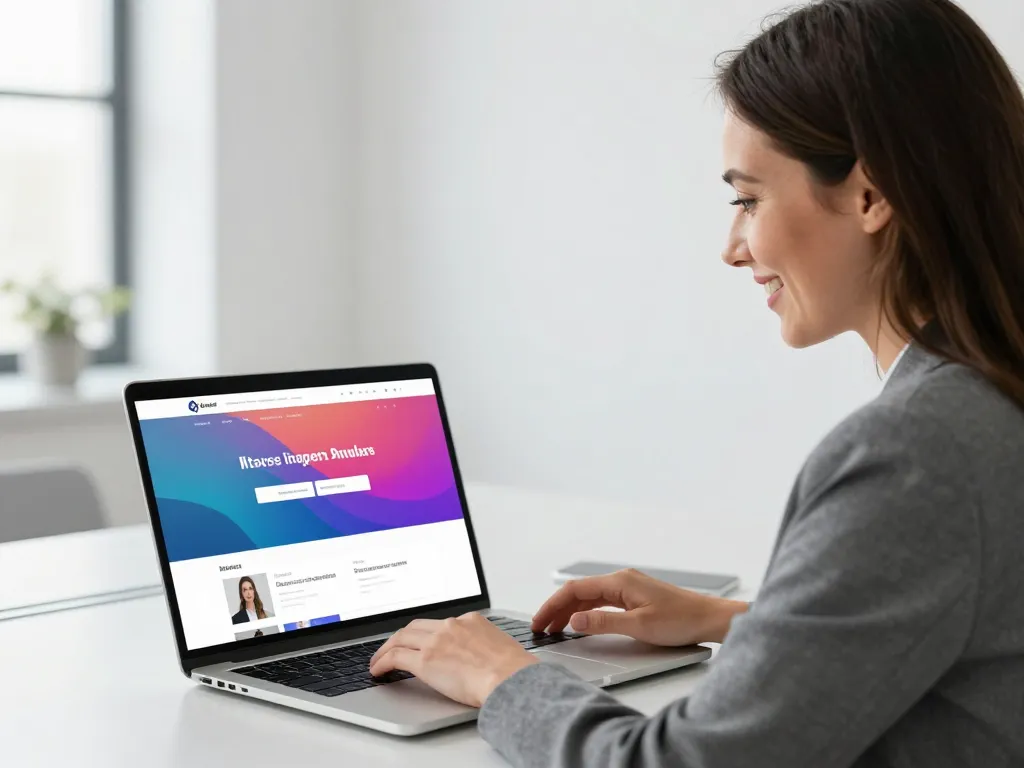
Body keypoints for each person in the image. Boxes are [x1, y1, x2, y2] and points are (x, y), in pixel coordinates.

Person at [368, 1, 1024, 765]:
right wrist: (738, 621)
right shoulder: (991, 398)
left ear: (871, 196)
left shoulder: (917, 450)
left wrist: (500, 675)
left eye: (748, 199)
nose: (732, 247)